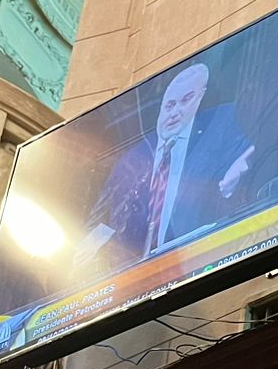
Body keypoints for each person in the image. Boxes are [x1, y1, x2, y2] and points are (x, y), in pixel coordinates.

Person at [72, 63, 255, 275]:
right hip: (133, 277)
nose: (175, 112)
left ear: (202, 97)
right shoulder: (132, 159)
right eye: (169, 105)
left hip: (203, 264)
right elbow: (100, 220)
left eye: (186, 100)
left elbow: (251, 161)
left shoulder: (224, 123)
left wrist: (238, 174)